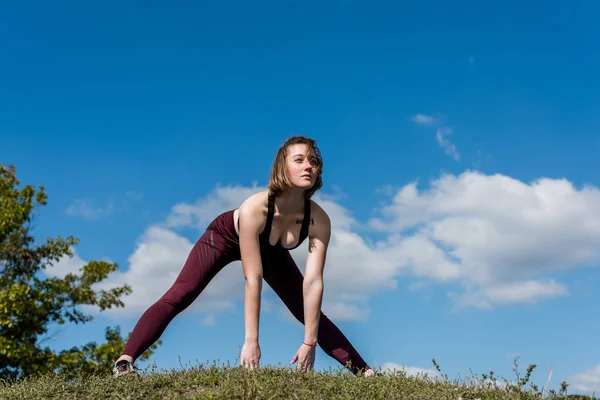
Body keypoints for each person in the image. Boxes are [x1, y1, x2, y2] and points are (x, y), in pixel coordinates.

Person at [112, 135, 375, 377]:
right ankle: (125, 361)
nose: (309, 166)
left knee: (308, 311)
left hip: (272, 251)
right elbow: (253, 279)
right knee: (183, 292)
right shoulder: (255, 208)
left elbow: (313, 283)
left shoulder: (318, 219)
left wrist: (310, 341)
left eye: (314, 161)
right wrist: (251, 341)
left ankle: (366, 374)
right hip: (225, 237)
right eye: (299, 160)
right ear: (282, 167)